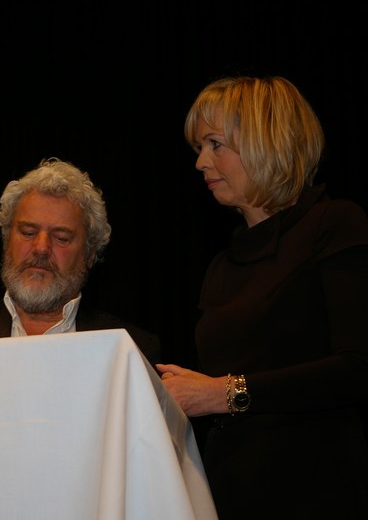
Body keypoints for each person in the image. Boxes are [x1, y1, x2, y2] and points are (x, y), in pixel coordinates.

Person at [156, 76, 368, 518]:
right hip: (230, 491)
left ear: (264, 143)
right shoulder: (221, 265)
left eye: (214, 144)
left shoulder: (334, 225)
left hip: (316, 490)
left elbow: (357, 367)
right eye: (199, 147)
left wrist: (222, 393)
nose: (200, 162)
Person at [0, 157, 161, 365]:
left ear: (89, 254)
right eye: (28, 232)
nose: (41, 248)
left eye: (61, 238)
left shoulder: (131, 349)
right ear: (6, 242)